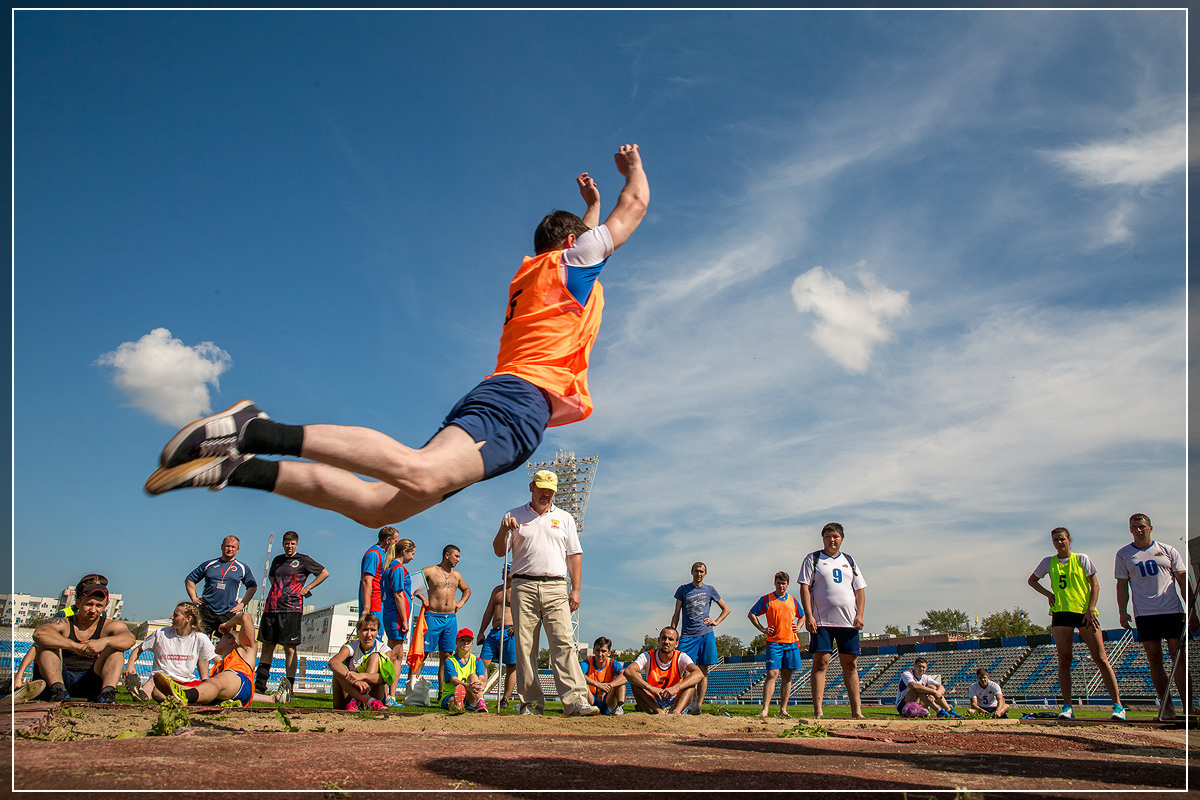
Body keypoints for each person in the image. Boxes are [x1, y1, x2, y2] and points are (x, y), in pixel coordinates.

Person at [144, 143, 650, 533]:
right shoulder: (572, 266)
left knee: (375, 507)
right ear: (572, 243)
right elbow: (636, 204)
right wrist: (633, 169)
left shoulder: (539, 272)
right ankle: (255, 431)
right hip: (520, 399)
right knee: (420, 472)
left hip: (506, 394)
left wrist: (591, 205)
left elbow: (582, 241)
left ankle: (236, 470)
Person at [492, 470, 598, 716]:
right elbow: (499, 551)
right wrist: (503, 529)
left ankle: (576, 702)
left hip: (556, 586)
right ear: (532, 487)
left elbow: (574, 556)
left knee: (564, 643)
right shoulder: (513, 515)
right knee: (525, 646)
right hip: (523, 586)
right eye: (542, 489)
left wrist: (576, 589)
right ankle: (530, 704)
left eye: (551, 491)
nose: (546, 494)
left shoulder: (565, 518)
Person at [1028, 526, 1125, 721]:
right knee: (1064, 660)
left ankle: (1118, 705)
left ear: (1069, 540)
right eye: (1055, 540)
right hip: (1061, 613)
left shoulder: (1081, 559)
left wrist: (1091, 607)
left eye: (1062, 539)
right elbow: (1032, 581)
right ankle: (1067, 707)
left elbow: (1095, 585)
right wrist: (1049, 594)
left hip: (1083, 612)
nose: (1059, 542)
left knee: (1100, 658)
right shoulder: (1048, 562)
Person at [1115, 513, 1192, 718]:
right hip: (1145, 613)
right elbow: (1122, 585)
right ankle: (1167, 708)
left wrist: (1191, 608)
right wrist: (1122, 611)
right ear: (1130, 530)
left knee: (1178, 657)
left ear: (1150, 528)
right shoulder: (1123, 554)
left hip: (1171, 610)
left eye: (1142, 526)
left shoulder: (1168, 550)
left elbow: (1182, 579)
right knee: (1154, 659)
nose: (1139, 530)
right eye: (1134, 527)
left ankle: (1188, 707)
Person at [797, 522, 868, 720]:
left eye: (835, 536)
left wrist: (860, 614)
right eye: (828, 536)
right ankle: (818, 711)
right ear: (823, 539)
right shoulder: (813, 559)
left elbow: (859, 589)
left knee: (850, 664)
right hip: (822, 621)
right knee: (821, 662)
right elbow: (804, 587)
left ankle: (857, 712)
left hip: (848, 621)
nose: (832, 540)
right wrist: (809, 615)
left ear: (841, 539)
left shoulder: (849, 561)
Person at [31, 576, 134, 703]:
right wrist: (75, 646)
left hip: (91, 680)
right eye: (89, 604)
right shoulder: (64, 623)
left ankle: (107, 694)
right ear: (78, 603)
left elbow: (130, 639)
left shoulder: (110, 626)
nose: (93, 610)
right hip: (62, 678)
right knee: (47, 645)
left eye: (99, 606)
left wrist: (104, 642)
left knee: (116, 649)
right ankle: (58, 691)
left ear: (105, 606)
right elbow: (39, 634)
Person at [254, 530, 329, 702]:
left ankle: (289, 686)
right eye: (287, 543)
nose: (289, 546)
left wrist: (307, 588)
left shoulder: (303, 560)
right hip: (272, 608)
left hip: (291, 609)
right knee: (267, 646)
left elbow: (324, 573)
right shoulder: (277, 560)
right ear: (283, 544)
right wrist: (280, 591)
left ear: (297, 544)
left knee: (289, 648)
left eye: (292, 543)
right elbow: (272, 577)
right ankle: (260, 685)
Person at [153, 611, 279, 707]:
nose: (218, 640)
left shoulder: (245, 651)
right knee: (157, 692)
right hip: (225, 689)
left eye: (222, 637)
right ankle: (194, 699)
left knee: (218, 681)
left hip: (241, 683)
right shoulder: (220, 665)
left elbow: (245, 616)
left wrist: (227, 625)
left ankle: (186, 697)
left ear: (232, 640)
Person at [123, 601, 215, 703]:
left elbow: (214, 659)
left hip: (185, 681)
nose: (171, 617)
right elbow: (138, 649)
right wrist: (130, 664)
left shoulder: (200, 637)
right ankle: (142, 694)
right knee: (155, 687)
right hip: (160, 679)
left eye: (176, 615)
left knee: (209, 688)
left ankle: (176, 696)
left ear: (188, 619)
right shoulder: (160, 634)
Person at [671, 561, 730, 715]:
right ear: (692, 572)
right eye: (696, 571)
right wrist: (673, 633)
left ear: (705, 573)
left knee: (703, 671)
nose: (699, 574)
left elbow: (726, 609)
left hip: (706, 634)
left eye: (701, 571)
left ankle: (698, 707)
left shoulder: (710, 590)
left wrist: (716, 621)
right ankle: (681, 704)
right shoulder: (683, 589)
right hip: (687, 635)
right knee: (682, 669)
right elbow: (676, 613)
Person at [747, 571, 803, 718]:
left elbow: (802, 616)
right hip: (774, 643)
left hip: (791, 642)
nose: (781, 586)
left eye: (784, 583)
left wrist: (799, 626)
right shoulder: (767, 599)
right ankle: (765, 709)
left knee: (787, 676)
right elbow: (751, 614)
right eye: (779, 583)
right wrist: (762, 629)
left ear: (788, 584)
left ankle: (783, 709)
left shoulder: (793, 600)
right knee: (772, 674)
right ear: (775, 583)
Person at [420, 544, 471, 691]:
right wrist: (423, 599)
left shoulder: (457, 575)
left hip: (450, 618)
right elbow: (410, 583)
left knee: (447, 655)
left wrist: (460, 603)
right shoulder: (429, 571)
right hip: (433, 616)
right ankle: (411, 688)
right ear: (447, 555)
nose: (458, 560)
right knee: (423, 652)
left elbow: (467, 590)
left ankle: (442, 692)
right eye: (456, 556)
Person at [184, 535, 257, 636]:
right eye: (227, 546)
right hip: (207, 610)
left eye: (233, 547)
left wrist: (242, 604)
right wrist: (194, 598)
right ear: (222, 547)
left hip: (228, 611)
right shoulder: (209, 564)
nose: (230, 549)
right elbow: (189, 580)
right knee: (200, 640)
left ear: (237, 550)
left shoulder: (242, 568)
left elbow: (252, 586)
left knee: (227, 642)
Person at [623, 626, 702, 715]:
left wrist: (676, 688)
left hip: (675, 700)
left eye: (671, 639)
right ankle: (658, 711)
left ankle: (676, 712)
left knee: (690, 677)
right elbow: (628, 671)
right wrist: (651, 688)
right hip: (652, 701)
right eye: (664, 638)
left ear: (676, 644)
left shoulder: (681, 657)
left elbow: (699, 674)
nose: (666, 642)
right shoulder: (648, 656)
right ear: (659, 640)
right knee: (635, 678)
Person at [383, 537, 424, 706]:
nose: (412, 558)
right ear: (404, 551)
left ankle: (389, 695)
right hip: (397, 616)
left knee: (397, 655)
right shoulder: (398, 568)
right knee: (394, 656)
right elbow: (398, 594)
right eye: (412, 554)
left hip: (393, 614)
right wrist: (405, 620)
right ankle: (388, 695)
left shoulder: (390, 568)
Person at [327, 613, 390, 711]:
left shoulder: (384, 649)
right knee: (338, 669)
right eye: (365, 630)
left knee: (375, 657)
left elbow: (385, 678)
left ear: (377, 632)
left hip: (374, 693)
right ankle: (366, 700)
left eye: (373, 630)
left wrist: (362, 676)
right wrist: (355, 681)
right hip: (349, 696)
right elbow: (333, 662)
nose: (368, 635)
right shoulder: (351, 646)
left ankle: (363, 701)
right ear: (358, 632)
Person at [476, 565, 518, 709]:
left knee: (511, 665)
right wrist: (481, 631)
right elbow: (489, 611)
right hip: (494, 631)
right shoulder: (497, 590)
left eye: (505, 570)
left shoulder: (519, 590)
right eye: (502, 570)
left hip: (510, 632)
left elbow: (526, 610)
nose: (502, 572)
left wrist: (518, 625)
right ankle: (480, 696)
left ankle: (505, 698)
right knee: (483, 662)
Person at [895, 656, 961, 718]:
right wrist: (934, 692)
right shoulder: (907, 674)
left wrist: (934, 694)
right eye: (919, 666)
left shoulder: (925, 677)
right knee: (918, 688)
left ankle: (948, 710)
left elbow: (941, 687)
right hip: (904, 705)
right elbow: (913, 686)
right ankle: (939, 710)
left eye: (923, 667)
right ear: (914, 666)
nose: (921, 669)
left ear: (926, 668)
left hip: (918, 702)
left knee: (932, 687)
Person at [440, 628, 488, 712]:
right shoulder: (450, 661)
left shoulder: (477, 661)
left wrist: (480, 683)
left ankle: (479, 701)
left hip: (470, 692)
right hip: (451, 694)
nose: (465, 643)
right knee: (453, 702)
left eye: (468, 641)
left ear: (472, 643)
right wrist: (466, 686)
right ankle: (463, 704)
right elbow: (453, 680)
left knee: (473, 676)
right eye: (462, 640)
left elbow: (481, 677)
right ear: (456, 642)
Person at [361, 526, 400, 620]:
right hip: (374, 605)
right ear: (388, 540)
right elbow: (366, 580)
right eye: (395, 541)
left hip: (381, 602)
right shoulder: (373, 554)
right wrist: (366, 608)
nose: (397, 544)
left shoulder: (383, 555)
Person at [582, 636, 627, 715]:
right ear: (593, 651)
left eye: (603, 651)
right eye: (597, 650)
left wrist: (607, 688)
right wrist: (598, 685)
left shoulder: (612, 663)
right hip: (591, 698)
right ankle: (586, 706)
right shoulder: (587, 663)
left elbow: (625, 675)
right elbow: (578, 675)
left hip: (608, 699)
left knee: (620, 682)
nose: (600, 654)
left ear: (609, 653)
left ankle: (620, 707)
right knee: (581, 681)